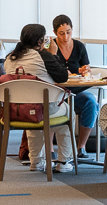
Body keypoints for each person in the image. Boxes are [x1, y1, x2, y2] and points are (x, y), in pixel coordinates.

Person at [3, 23, 72, 172]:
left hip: (17, 111)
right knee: (68, 112)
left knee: (33, 114)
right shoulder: (43, 56)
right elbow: (63, 76)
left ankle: (36, 162)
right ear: (40, 41)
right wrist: (53, 54)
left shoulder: (10, 58)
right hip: (43, 109)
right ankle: (64, 162)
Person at [47, 15, 98, 160]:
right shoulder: (51, 48)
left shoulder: (79, 46)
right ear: (55, 32)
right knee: (49, 105)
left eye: (68, 32)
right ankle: (50, 149)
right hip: (57, 92)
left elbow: (86, 68)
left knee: (91, 102)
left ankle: (81, 147)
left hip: (76, 91)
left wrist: (84, 71)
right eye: (61, 33)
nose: (65, 37)